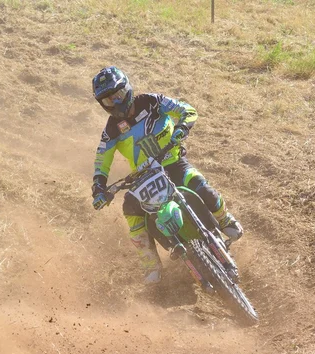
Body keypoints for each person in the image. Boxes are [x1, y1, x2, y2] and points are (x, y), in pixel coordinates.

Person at [90, 66, 243, 284]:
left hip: (172, 162)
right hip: (145, 176)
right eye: (107, 101)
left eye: (118, 96)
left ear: (127, 89)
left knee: (198, 182)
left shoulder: (152, 101)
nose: (114, 103)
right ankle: (150, 264)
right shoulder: (111, 130)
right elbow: (101, 159)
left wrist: (183, 127)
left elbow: (187, 110)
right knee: (129, 208)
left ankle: (224, 219)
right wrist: (98, 187)